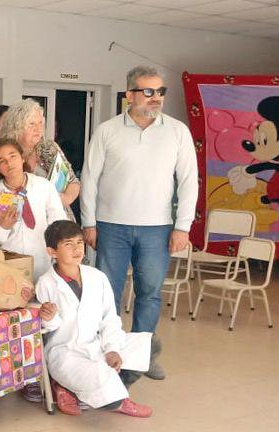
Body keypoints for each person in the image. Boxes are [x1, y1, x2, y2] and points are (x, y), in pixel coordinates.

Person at [80, 66, 198, 380]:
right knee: (109, 295)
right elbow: (89, 178)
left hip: (157, 229)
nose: (156, 97)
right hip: (111, 227)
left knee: (150, 293)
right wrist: (88, 223)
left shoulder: (177, 132)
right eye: (148, 91)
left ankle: (140, 357)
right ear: (130, 94)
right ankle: (110, 354)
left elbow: (189, 181)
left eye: (160, 91)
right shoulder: (107, 130)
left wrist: (183, 226)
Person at [36, 220, 153, 418]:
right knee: (101, 376)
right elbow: (46, 330)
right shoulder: (46, 283)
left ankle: (74, 388)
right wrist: (50, 317)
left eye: (80, 242)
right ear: (51, 251)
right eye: (68, 244)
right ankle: (115, 398)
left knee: (149, 346)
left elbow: (110, 318)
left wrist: (112, 349)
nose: (77, 249)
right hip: (66, 353)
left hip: (97, 345)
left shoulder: (97, 277)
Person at [0, 138, 67, 281]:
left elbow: (58, 221)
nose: (9, 163)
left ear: (22, 158)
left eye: (12, 156)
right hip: (10, 270)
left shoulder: (43, 187)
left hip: (44, 264)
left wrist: (59, 256)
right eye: (2, 161)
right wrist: (3, 227)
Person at [0, 99, 81, 215]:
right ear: (15, 127)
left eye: (40, 123)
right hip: (18, 220)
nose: (38, 129)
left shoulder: (47, 147)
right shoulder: (4, 152)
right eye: (31, 124)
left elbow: (73, 181)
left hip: (56, 221)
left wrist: (64, 199)